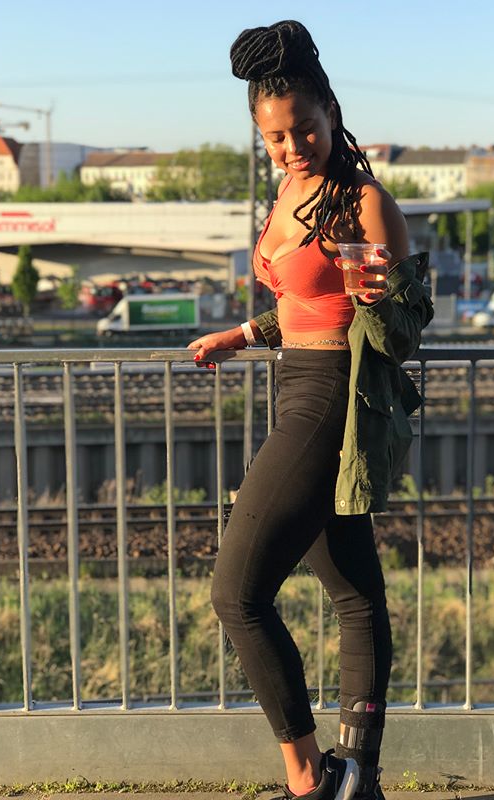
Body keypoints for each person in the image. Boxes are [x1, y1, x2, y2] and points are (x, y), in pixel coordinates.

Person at [188, 19, 433, 800]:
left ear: (331, 113)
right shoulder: (290, 191)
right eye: (275, 138)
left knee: (237, 595)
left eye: (303, 130)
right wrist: (243, 333)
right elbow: (300, 299)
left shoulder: (365, 201)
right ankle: (359, 775)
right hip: (294, 380)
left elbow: (404, 329)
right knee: (355, 595)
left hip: (330, 396)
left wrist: (380, 297)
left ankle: (309, 779)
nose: (292, 148)